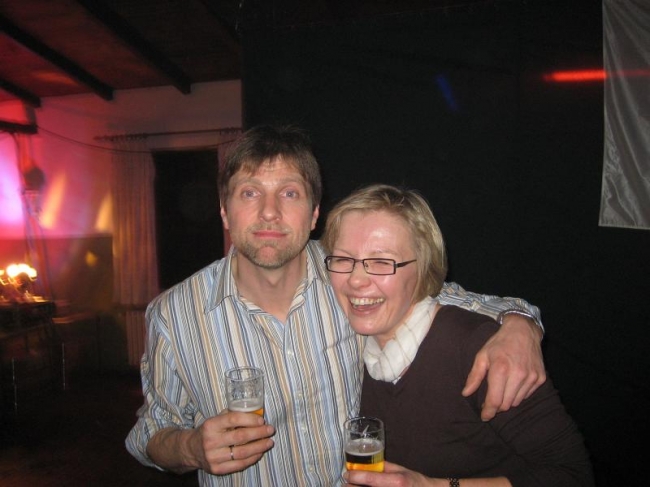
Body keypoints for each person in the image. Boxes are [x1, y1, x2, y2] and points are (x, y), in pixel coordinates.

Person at [125, 125, 546, 486]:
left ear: (314, 214)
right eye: (250, 192)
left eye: (289, 193)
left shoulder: (349, 275)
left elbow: (448, 296)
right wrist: (191, 447)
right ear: (224, 212)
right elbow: (150, 432)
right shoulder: (174, 315)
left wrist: (520, 324)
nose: (269, 212)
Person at [320, 184, 594, 487]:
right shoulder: (361, 348)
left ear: (423, 268)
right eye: (343, 259)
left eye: (382, 261)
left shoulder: (477, 347)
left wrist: (436, 486)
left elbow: (573, 475)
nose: (356, 280)